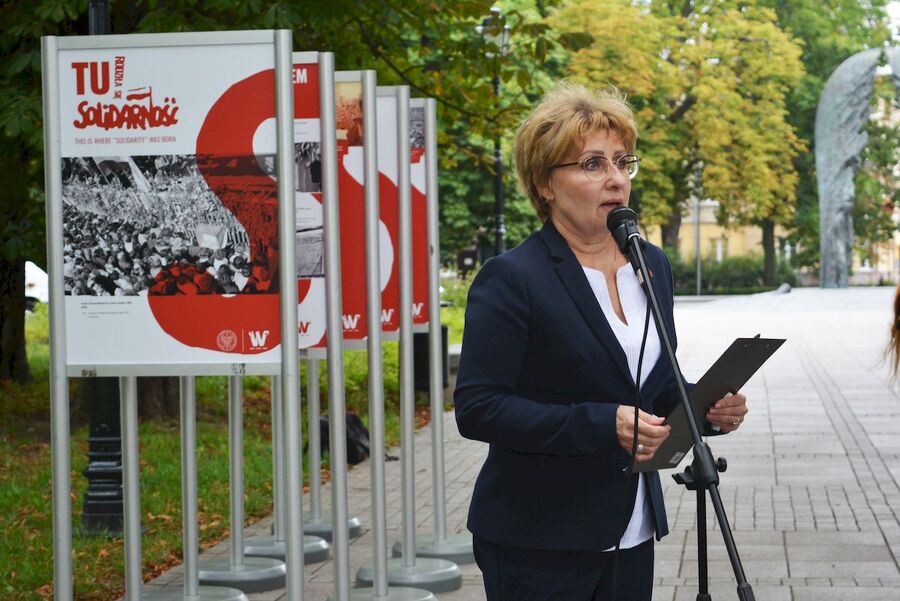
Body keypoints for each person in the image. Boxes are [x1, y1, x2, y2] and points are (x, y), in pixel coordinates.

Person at [453, 82, 749, 601]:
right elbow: (479, 408)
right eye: (592, 164)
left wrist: (706, 410)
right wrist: (601, 423)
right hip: (538, 537)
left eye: (621, 161)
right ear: (546, 183)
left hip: (631, 528)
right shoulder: (512, 277)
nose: (614, 178)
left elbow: (655, 384)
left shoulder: (650, 263)